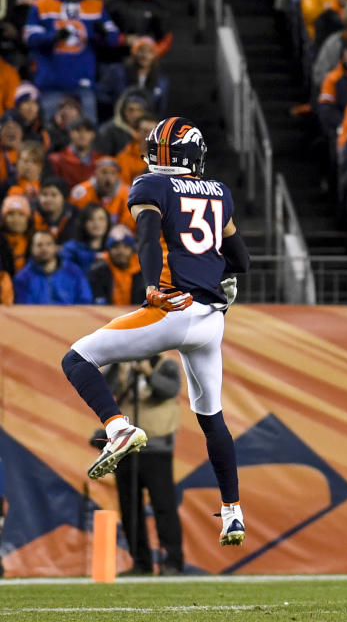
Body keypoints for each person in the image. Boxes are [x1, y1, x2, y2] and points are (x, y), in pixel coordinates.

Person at [60, 117, 251, 547]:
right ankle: (233, 512)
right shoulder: (220, 192)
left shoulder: (151, 186)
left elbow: (147, 235)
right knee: (213, 419)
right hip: (210, 320)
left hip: (172, 307)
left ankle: (117, 428)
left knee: (77, 358)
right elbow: (240, 261)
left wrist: (150, 286)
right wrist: (217, 274)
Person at [96, 354, 184, 574]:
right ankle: (141, 562)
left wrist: (148, 373)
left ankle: (173, 561)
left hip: (157, 449)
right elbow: (104, 391)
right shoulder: (121, 364)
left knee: (164, 506)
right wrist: (120, 371)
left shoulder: (166, 364)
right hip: (126, 449)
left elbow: (170, 390)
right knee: (129, 507)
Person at [24, 0, 120, 121]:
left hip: (83, 83)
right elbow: (30, 38)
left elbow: (113, 38)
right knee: (52, 134)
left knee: (87, 134)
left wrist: (103, 34)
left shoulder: (95, 5)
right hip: (51, 84)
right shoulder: (42, 4)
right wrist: (53, 36)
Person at [14, 229, 93, 304]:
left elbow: (85, 300)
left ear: (56, 247)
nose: (44, 248)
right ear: (31, 249)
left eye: (48, 244)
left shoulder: (74, 272)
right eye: (39, 245)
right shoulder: (23, 278)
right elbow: (25, 307)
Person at [88, 225, 144, 305]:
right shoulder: (98, 272)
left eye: (126, 247)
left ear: (132, 250)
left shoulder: (143, 272)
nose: (121, 251)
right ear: (108, 250)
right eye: (115, 246)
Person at [61, 202, 110, 273]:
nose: (96, 224)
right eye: (91, 219)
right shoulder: (71, 250)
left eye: (101, 219)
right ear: (83, 223)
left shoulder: (113, 249)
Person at [33, 176, 81, 242]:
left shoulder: (76, 216)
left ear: (63, 198)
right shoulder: (32, 214)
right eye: (44, 194)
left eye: (54, 195)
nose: (48, 199)